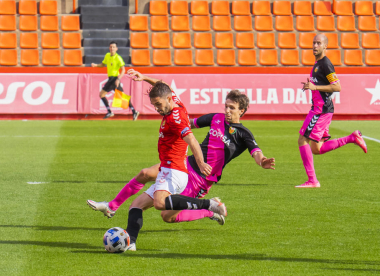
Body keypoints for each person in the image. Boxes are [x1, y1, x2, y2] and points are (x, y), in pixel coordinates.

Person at [88, 71, 276, 250]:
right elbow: (189, 123)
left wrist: (262, 161)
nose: (227, 111)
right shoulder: (215, 118)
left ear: (241, 111)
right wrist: (144, 78)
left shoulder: (244, 134)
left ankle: (209, 210)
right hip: (184, 162)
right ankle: (113, 209)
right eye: (226, 106)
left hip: (203, 178)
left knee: (166, 216)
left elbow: (256, 152)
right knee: (145, 174)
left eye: (232, 108)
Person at [296, 34, 367, 188]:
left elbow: (337, 87)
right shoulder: (317, 64)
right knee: (317, 148)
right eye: (314, 43)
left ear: (325, 46)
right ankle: (351, 138)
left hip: (320, 110)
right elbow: (319, 85)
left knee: (302, 139)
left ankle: (312, 180)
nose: (315, 46)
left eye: (319, 43)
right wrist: (311, 87)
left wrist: (315, 87)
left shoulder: (326, 64)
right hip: (320, 109)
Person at [91, 41, 139, 120]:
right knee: (121, 96)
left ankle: (111, 112)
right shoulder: (107, 55)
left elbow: (123, 70)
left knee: (102, 94)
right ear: (109, 48)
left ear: (116, 49)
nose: (112, 48)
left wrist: (118, 79)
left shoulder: (118, 58)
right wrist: (96, 65)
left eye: (113, 47)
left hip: (114, 79)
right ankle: (134, 111)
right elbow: (103, 64)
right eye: (111, 47)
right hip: (111, 79)